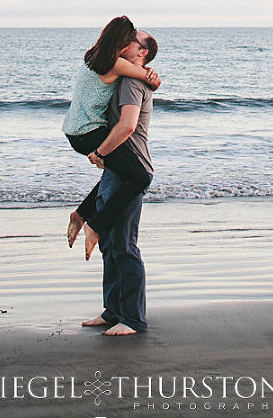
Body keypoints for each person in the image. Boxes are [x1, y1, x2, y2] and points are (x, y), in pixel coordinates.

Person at [62, 16, 161, 259]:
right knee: (139, 177)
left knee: (122, 171)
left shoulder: (93, 56)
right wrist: (155, 80)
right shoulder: (115, 64)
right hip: (89, 132)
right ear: (122, 42)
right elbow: (146, 78)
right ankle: (96, 225)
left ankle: (81, 213)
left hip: (75, 131)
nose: (130, 45)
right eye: (129, 40)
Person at [81, 30, 157, 336]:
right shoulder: (126, 75)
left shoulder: (132, 81)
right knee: (110, 244)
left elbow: (127, 127)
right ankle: (113, 311)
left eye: (132, 41)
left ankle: (133, 319)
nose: (125, 43)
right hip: (116, 170)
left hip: (131, 170)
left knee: (124, 245)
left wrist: (99, 152)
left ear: (142, 53)